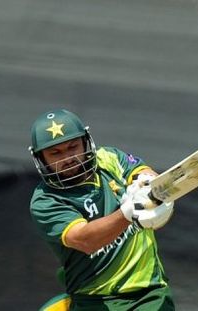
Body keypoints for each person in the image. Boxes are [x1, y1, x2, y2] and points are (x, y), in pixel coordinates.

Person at [28, 109, 176, 311]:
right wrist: (127, 213)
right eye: (56, 153)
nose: (69, 158)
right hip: (94, 301)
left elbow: (143, 172)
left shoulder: (109, 158)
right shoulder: (46, 200)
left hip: (148, 294)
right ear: (41, 159)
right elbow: (84, 240)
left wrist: (149, 185)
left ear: (85, 141)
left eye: (73, 147)